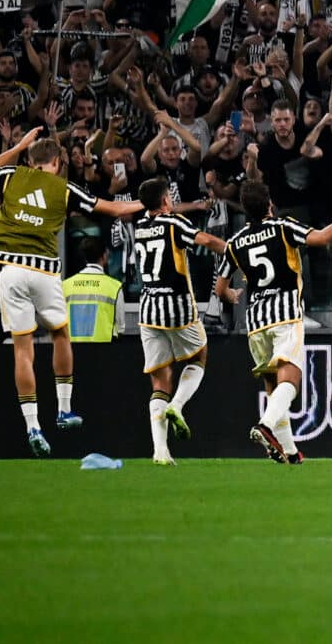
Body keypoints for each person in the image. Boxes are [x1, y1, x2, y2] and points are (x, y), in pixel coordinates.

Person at [0, 128, 142, 456]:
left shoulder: (12, 175)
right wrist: (150, 203)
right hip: (43, 270)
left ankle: (32, 427)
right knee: (60, 335)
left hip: (10, 270)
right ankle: (64, 409)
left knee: (22, 353)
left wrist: (19, 145)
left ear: (30, 159)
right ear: (56, 162)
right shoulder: (64, 188)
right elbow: (114, 209)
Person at [227, 178, 332, 463]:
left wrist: (229, 293)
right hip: (285, 314)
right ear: (270, 205)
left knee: (273, 386)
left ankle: (289, 452)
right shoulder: (283, 227)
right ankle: (265, 426)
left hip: (256, 320)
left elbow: (220, 287)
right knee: (291, 379)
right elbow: (323, 238)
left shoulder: (235, 242)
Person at [127, 176, 228, 466]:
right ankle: (177, 406)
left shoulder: (141, 226)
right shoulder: (174, 223)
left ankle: (160, 450)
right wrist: (234, 253)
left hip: (149, 309)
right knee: (199, 357)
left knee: (159, 379)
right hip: (178, 307)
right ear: (165, 201)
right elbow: (207, 240)